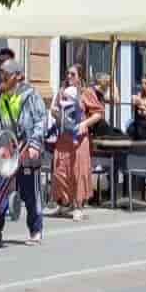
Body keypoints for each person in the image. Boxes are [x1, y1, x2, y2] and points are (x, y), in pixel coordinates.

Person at [0, 64, 47, 244]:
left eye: (6, 74)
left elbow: (41, 120)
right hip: (8, 151)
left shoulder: (30, 96)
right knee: (0, 191)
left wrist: (34, 144)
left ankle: (36, 230)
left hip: (27, 150)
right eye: (1, 73)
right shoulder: (0, 96)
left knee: (30, 193)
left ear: (18, 76)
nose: (2, 77)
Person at [50, 65, 93, 221]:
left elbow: (98, 113)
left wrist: (84, 124)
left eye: (73, 74)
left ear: (79, 77)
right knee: (60, 170)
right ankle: (62, 203)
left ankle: (78, 206)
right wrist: (55, 113)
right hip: (63, 136)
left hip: (79, 138)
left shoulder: (85, 93)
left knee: (77, 171)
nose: (69, 76)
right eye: (67, 73)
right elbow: (53, 109)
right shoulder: (62, 92)